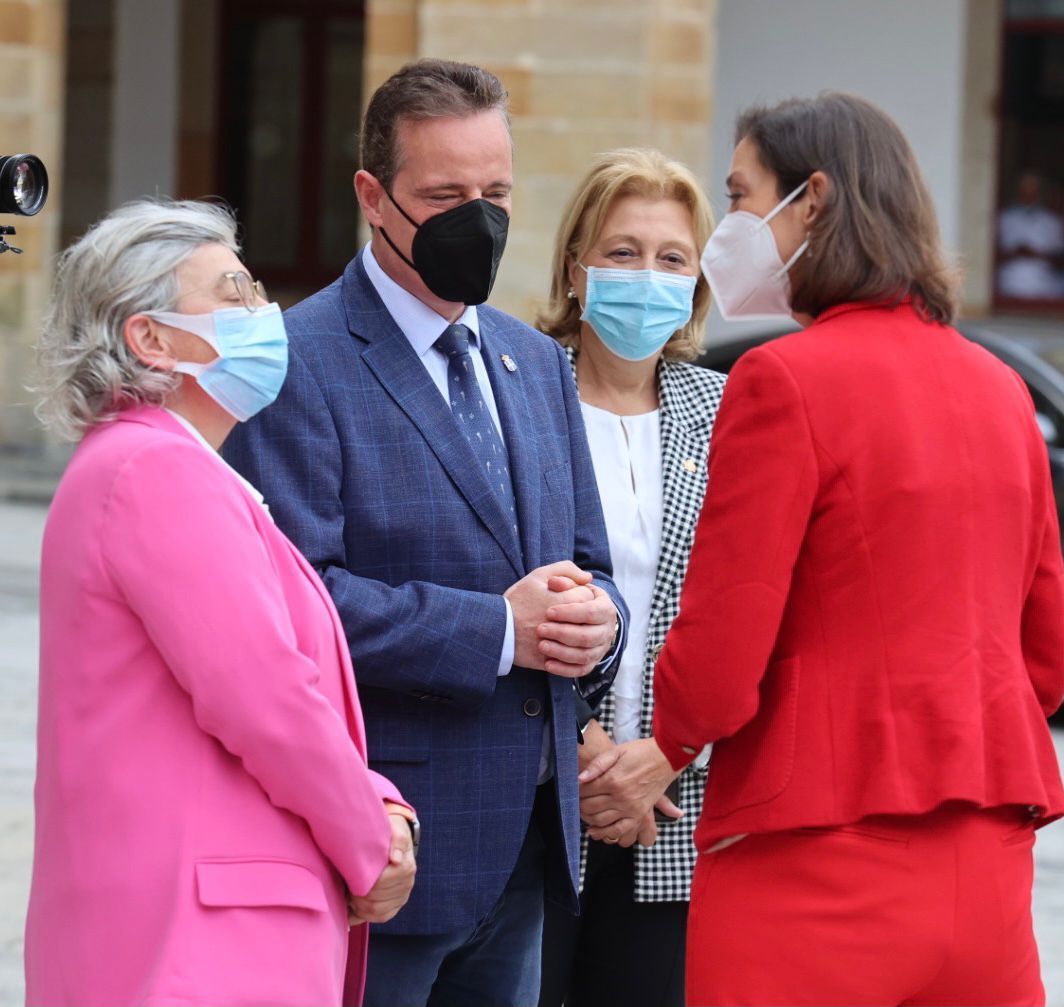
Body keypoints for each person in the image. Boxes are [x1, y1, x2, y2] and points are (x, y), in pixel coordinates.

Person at [583, 92, 1064, 1007]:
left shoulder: (782, 378)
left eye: (739, 196)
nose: (728, 223)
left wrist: (670, 739)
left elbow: (724, 654)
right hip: (989, 854)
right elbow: (1044, 654)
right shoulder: (1002, 388)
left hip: (814, 857)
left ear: (809, 201)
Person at [222, 59, 629, 1007]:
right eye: (444, 195)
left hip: (528, 842)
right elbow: (296, 602)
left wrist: (596, 618)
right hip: (388, 853)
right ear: (373, 195)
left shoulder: (533, 360)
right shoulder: (298, 362)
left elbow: (590, 562)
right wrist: (497, 629)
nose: (475, 219)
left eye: (495, 192)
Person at [25, 199, 416, 1007]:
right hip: (199, 944)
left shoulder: (162, 465)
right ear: (151, 338)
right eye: (232, 291)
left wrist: (376, 799)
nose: (262, 310)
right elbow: (264, 693)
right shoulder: (153, 470)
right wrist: (371, 836)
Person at [533, 148, 725, 1007]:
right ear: (577, 269)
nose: (647, 275)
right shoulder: (520, 391)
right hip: (539, 790)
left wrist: (654, 763)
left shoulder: (723, 413)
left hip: (673, 807)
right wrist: (589, 753)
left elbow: (748, 609)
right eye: (622, 252)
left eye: (671, 258)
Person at [997, 170, 1064, 299]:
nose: (1029, 192)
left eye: (1033, 188)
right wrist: (1014, 253)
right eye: (1025, 188)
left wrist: (1036, 254)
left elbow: (1062, 261)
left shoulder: (1052, 221)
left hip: (1044, 287)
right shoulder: (1003, 218)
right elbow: (989, 255)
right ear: (1018, 190)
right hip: (1008, 285)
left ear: (1040, 191)